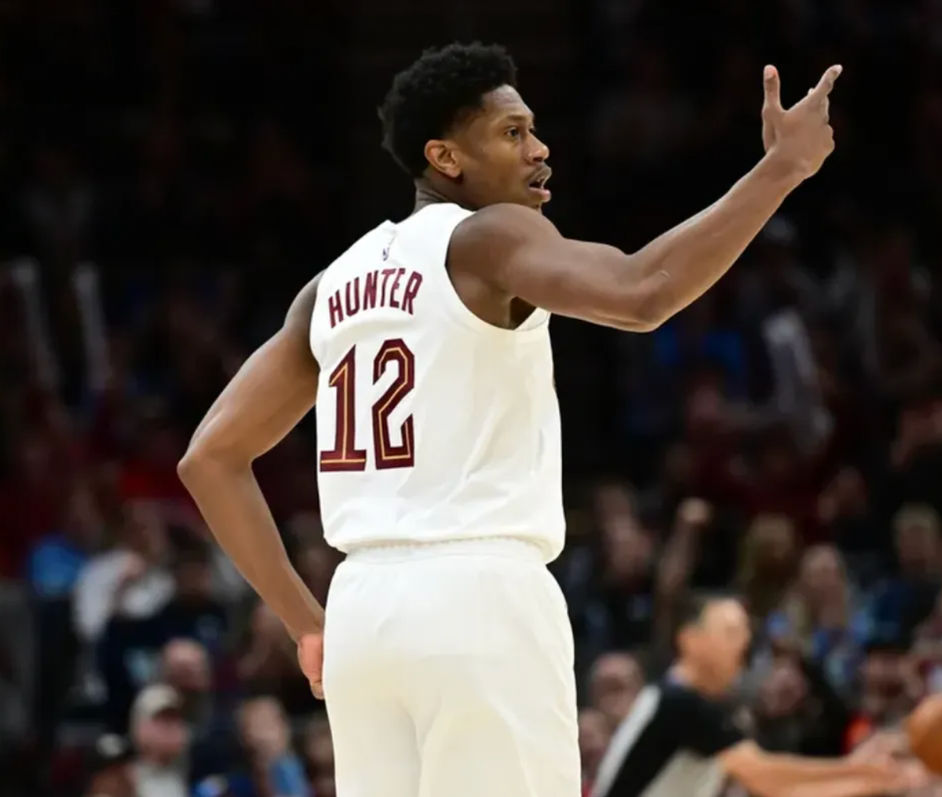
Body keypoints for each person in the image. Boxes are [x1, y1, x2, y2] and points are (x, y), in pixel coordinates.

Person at [178, 40, 847, 797]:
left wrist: (307, 622)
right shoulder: (489, 236)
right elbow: (642, 290)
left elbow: (210, 459)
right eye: (511, 132)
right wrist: (781, 169)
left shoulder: (333, 283)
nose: (540, 149)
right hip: (479, 598)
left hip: (362, 610)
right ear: (445, 157)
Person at [591, 593, 921, 797]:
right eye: (730, 632)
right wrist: (864, 773)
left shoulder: (673, 701)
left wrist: (862, 773)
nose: (742, 646)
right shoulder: (682, 703)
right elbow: (769, 779)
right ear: (689, 640)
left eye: (745, 635)